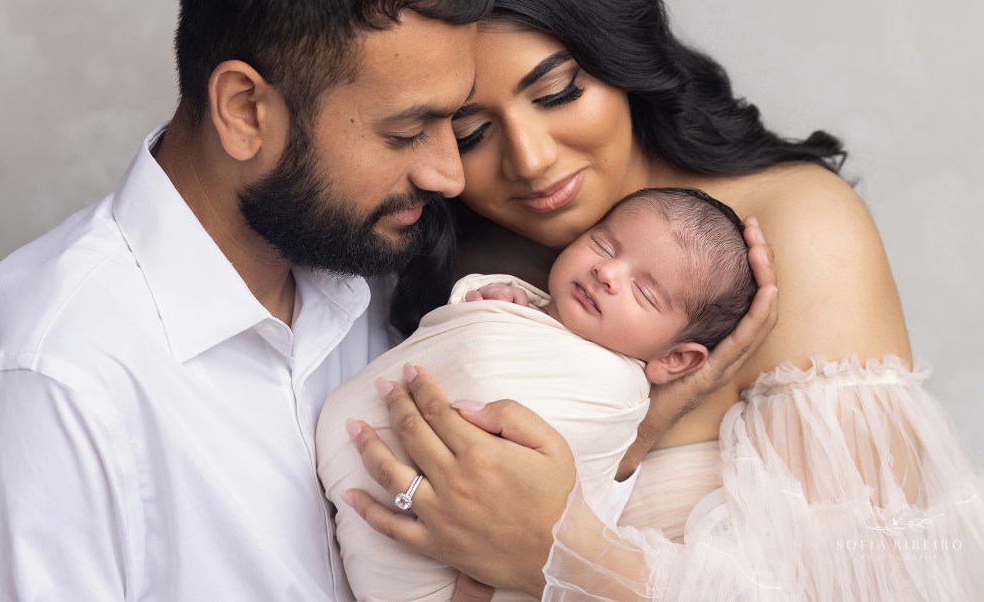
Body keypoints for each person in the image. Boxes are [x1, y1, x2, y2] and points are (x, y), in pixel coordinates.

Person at [343, 0, 984, 600]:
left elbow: (868, 585)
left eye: (559, 92)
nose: (531, 160)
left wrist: (562, 555)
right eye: (472, 131)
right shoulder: (463, 272)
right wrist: (644, 424)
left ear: (619, 57)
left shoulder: (790, 231)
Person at [0, 0, 498, 599]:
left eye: (454, 126)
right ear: (245, 109)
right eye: (404, 132)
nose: (448, 174)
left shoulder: (372, 270)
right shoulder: (57, 367)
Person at [317, 187, 755, 601]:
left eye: (644, 291)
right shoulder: (522, 301)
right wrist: (485, 301)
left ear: (675, 361)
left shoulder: (615, 389)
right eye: (603, 246)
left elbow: (550, 466)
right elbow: (453, 343)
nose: (607, 272)